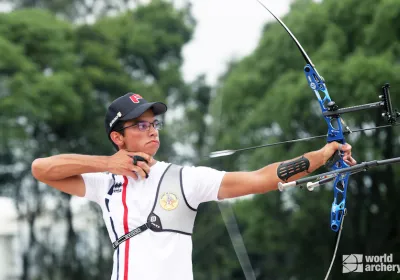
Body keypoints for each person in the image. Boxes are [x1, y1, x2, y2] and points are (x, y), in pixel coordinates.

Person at [31, 93, 357, 280]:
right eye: (141, 125)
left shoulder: (186, 179)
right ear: (118, 137)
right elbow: (41, 169)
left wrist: (322, 155)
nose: (152, 130)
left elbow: (261, 179)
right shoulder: (104, 183)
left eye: (154, 123)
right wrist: (108, 163)